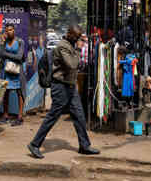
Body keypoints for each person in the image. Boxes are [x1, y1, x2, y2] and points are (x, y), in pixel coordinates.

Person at [27, 25, 99, 159]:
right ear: (69, 34)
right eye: (76, 37)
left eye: (79, 37)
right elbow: (72, 64)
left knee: (79, 116)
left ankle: (84, 145)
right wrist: (78, 49)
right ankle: (35, 144)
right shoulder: (63, 46)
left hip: (70, 86)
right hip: (60, 86)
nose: (78, 39)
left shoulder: (70, 45)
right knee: (53, 116)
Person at [0, 24, 26, 126]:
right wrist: (1, 43)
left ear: (14, 31)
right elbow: (0, 54)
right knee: (6, 92)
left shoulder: (20, 42)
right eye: (7, 31)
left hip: (17, 71)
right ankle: (5, 116)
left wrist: (6, 55)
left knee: (20, 92)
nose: (9, 32)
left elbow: (19, 57)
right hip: (6, 71)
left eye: (10, 30)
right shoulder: (4, 42)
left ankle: (20, 117)